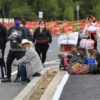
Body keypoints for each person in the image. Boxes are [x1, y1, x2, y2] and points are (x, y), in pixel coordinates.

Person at [2, 16, 27, 82]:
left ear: (20, 21)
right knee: (8, 62)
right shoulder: (11, 29)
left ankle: (18, 77)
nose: (17, 22)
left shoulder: (23, 29)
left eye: (18, 21)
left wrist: (17, 38)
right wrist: (10, 38)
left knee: (19, 64)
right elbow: (6, 38)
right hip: (12, 49)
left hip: (20, 49)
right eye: (15, 21)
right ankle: (8, 77)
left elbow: (24, 39)